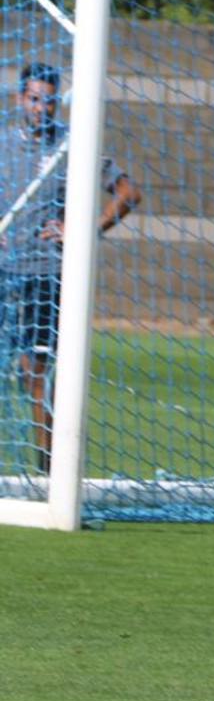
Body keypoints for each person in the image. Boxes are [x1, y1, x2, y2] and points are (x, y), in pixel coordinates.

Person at [2, 63, 140, 472]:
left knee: (37, 369)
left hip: (46, 272)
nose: (41, 108)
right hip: (5, 271)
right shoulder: (5, 144)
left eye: (49, 100)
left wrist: (84, 230)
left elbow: (130, 193)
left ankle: (49, 469)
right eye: (33, 99)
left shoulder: (72, 146)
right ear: (19, 99)